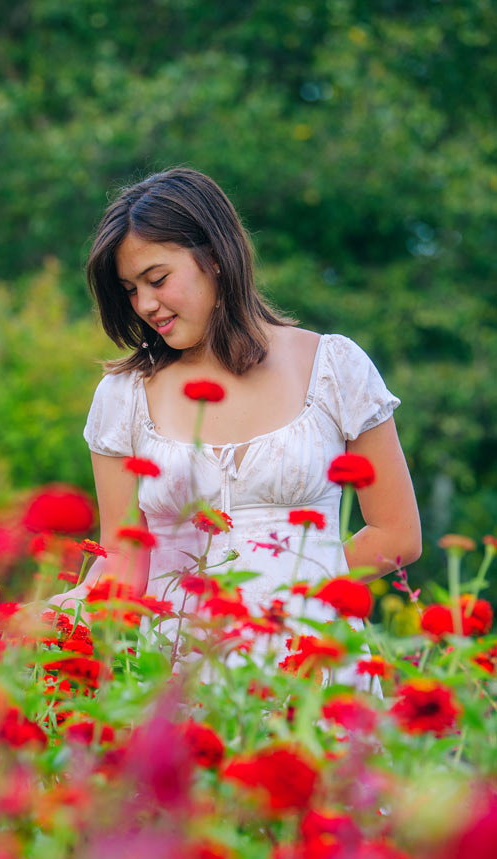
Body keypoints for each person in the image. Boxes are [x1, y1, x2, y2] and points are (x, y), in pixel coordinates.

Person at [51, 168, 421, 673]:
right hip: (176, 673)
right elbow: (123, 556)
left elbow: (396, 534)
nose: (145, 304)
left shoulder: (335, 367)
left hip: (311, 669)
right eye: (130, 289)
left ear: (216, 257)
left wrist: (287, 602)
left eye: (157, 279)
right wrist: (51, 614)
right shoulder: (123, 396)